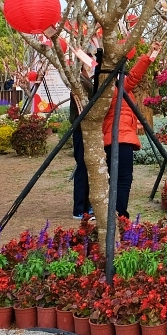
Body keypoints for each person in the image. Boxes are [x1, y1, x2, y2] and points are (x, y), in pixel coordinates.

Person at [102, 42, 160, 219]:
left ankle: (115, 211)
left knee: (115, 177)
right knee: (124, 178)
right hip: (121, 138)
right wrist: (148, 57)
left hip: (112, 139)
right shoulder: (117, 88)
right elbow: (134, 76)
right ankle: (120, 213)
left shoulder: (105, 89)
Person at [69, 60, 95, 219]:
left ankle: (87, 205)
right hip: (81, 129)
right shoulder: (79, 82)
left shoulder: (87, 80)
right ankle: (80, 207)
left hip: (88, 129)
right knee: (83, 168)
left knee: (88, 168)